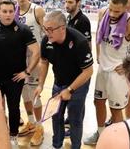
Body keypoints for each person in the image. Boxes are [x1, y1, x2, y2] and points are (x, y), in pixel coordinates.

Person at [0, 0, 40, 146]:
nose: (8, 15)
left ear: (15, 12)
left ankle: (13, 136)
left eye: (11, 11)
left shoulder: (23, 30)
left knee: (14, 108)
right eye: (4, 11)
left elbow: (36, 51)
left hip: (15, 79)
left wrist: (27, 72)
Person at [84, 0, 130, 145]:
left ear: (126, 7)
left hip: (119, 72)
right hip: (104, 68)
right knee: (98, 102)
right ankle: (100, 134)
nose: (113, 13)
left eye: (117, 11)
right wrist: (99, 54)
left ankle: (119, 141)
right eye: (111, 9)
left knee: (115, 109)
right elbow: (98, 37)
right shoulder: (103, 13)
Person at [37, 10, 93, 149]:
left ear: (62, 28)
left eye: (50, 29)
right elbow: (44, 62)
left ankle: (75, 146)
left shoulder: (79, 42)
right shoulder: (47, 41)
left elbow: (88, 71)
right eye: (45, 28)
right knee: (55, 116)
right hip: (59, 82)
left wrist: (70, 89)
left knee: (75, 119)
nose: (47, 32)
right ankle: (57, 145)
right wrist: (40, 85)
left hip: (78, 84)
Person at [14, 0, 45, 146]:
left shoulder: (37, 10)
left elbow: (47, 33)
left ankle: (40, 127)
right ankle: (31, 122)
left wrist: (44, 58)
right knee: (25, 94)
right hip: (20, 60)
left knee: (35, 95)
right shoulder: (13, 12)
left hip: (35, 59)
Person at [64, 0, 92, 135]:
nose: (67, 5)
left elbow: (87, 45)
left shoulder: (83, 21)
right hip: (71, 67)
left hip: (80, 68)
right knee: (72, 99)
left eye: (70, 2)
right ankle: (70, 119)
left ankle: (76, 127)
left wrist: (84, 68)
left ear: (78, 2)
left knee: (78, 101)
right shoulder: (69, 18)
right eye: (66, 1)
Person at [96, 53, 130, 149]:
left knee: (116, 111)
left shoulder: (113, 136)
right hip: (105, 66)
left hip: (120, 134)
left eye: (128, 85)